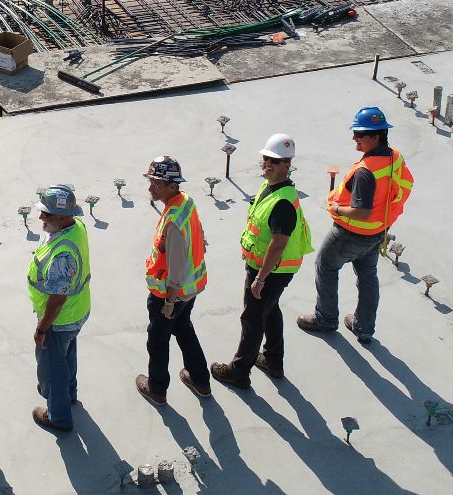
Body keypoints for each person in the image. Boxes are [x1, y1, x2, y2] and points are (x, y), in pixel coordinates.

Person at [300, 107, 415, 346]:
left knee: (326, 266)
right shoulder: (394, 157)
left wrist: (336, 209)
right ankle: (364, 327)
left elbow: (361, 212)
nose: (355, 138)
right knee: (367, 276)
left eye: (360, 134)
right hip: (378, 231)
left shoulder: (365, 172)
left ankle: (325, 318)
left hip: (351, 234)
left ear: (376, 137)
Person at [212, 134, 313, 388]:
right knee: (270, 311)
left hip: (270, 272)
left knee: (252, 318)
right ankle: (273, 360)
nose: (267, 164)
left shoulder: (282, 202)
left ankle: (238, 371)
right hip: (267, 269)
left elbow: (278, 244)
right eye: (266, 159)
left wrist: (260, 278)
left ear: (287, 165)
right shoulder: (270, 187)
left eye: (275, 161)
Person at [135, 155, 210, 405]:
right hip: (191, 290)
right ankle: (201, 380)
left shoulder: (173, 221)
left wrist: (170, 300)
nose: (150, 188)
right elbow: (197, 231)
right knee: (183, 329)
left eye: (156, 184)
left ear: (172, 186)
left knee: (157, 340)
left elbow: (175, 265)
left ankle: (157, 389)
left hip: (170, 294)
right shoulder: (185, 203)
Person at [28, 183, 90, 433]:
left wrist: (42, 329)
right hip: (76, 313)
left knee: (53, 369)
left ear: (64, 216)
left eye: (47, 213)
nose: (41, 216)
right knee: (66, 356)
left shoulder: (62, 255)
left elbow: (56, 298)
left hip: (59, 319)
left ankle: (58, 417)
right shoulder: (76, 227)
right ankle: (69, 395)